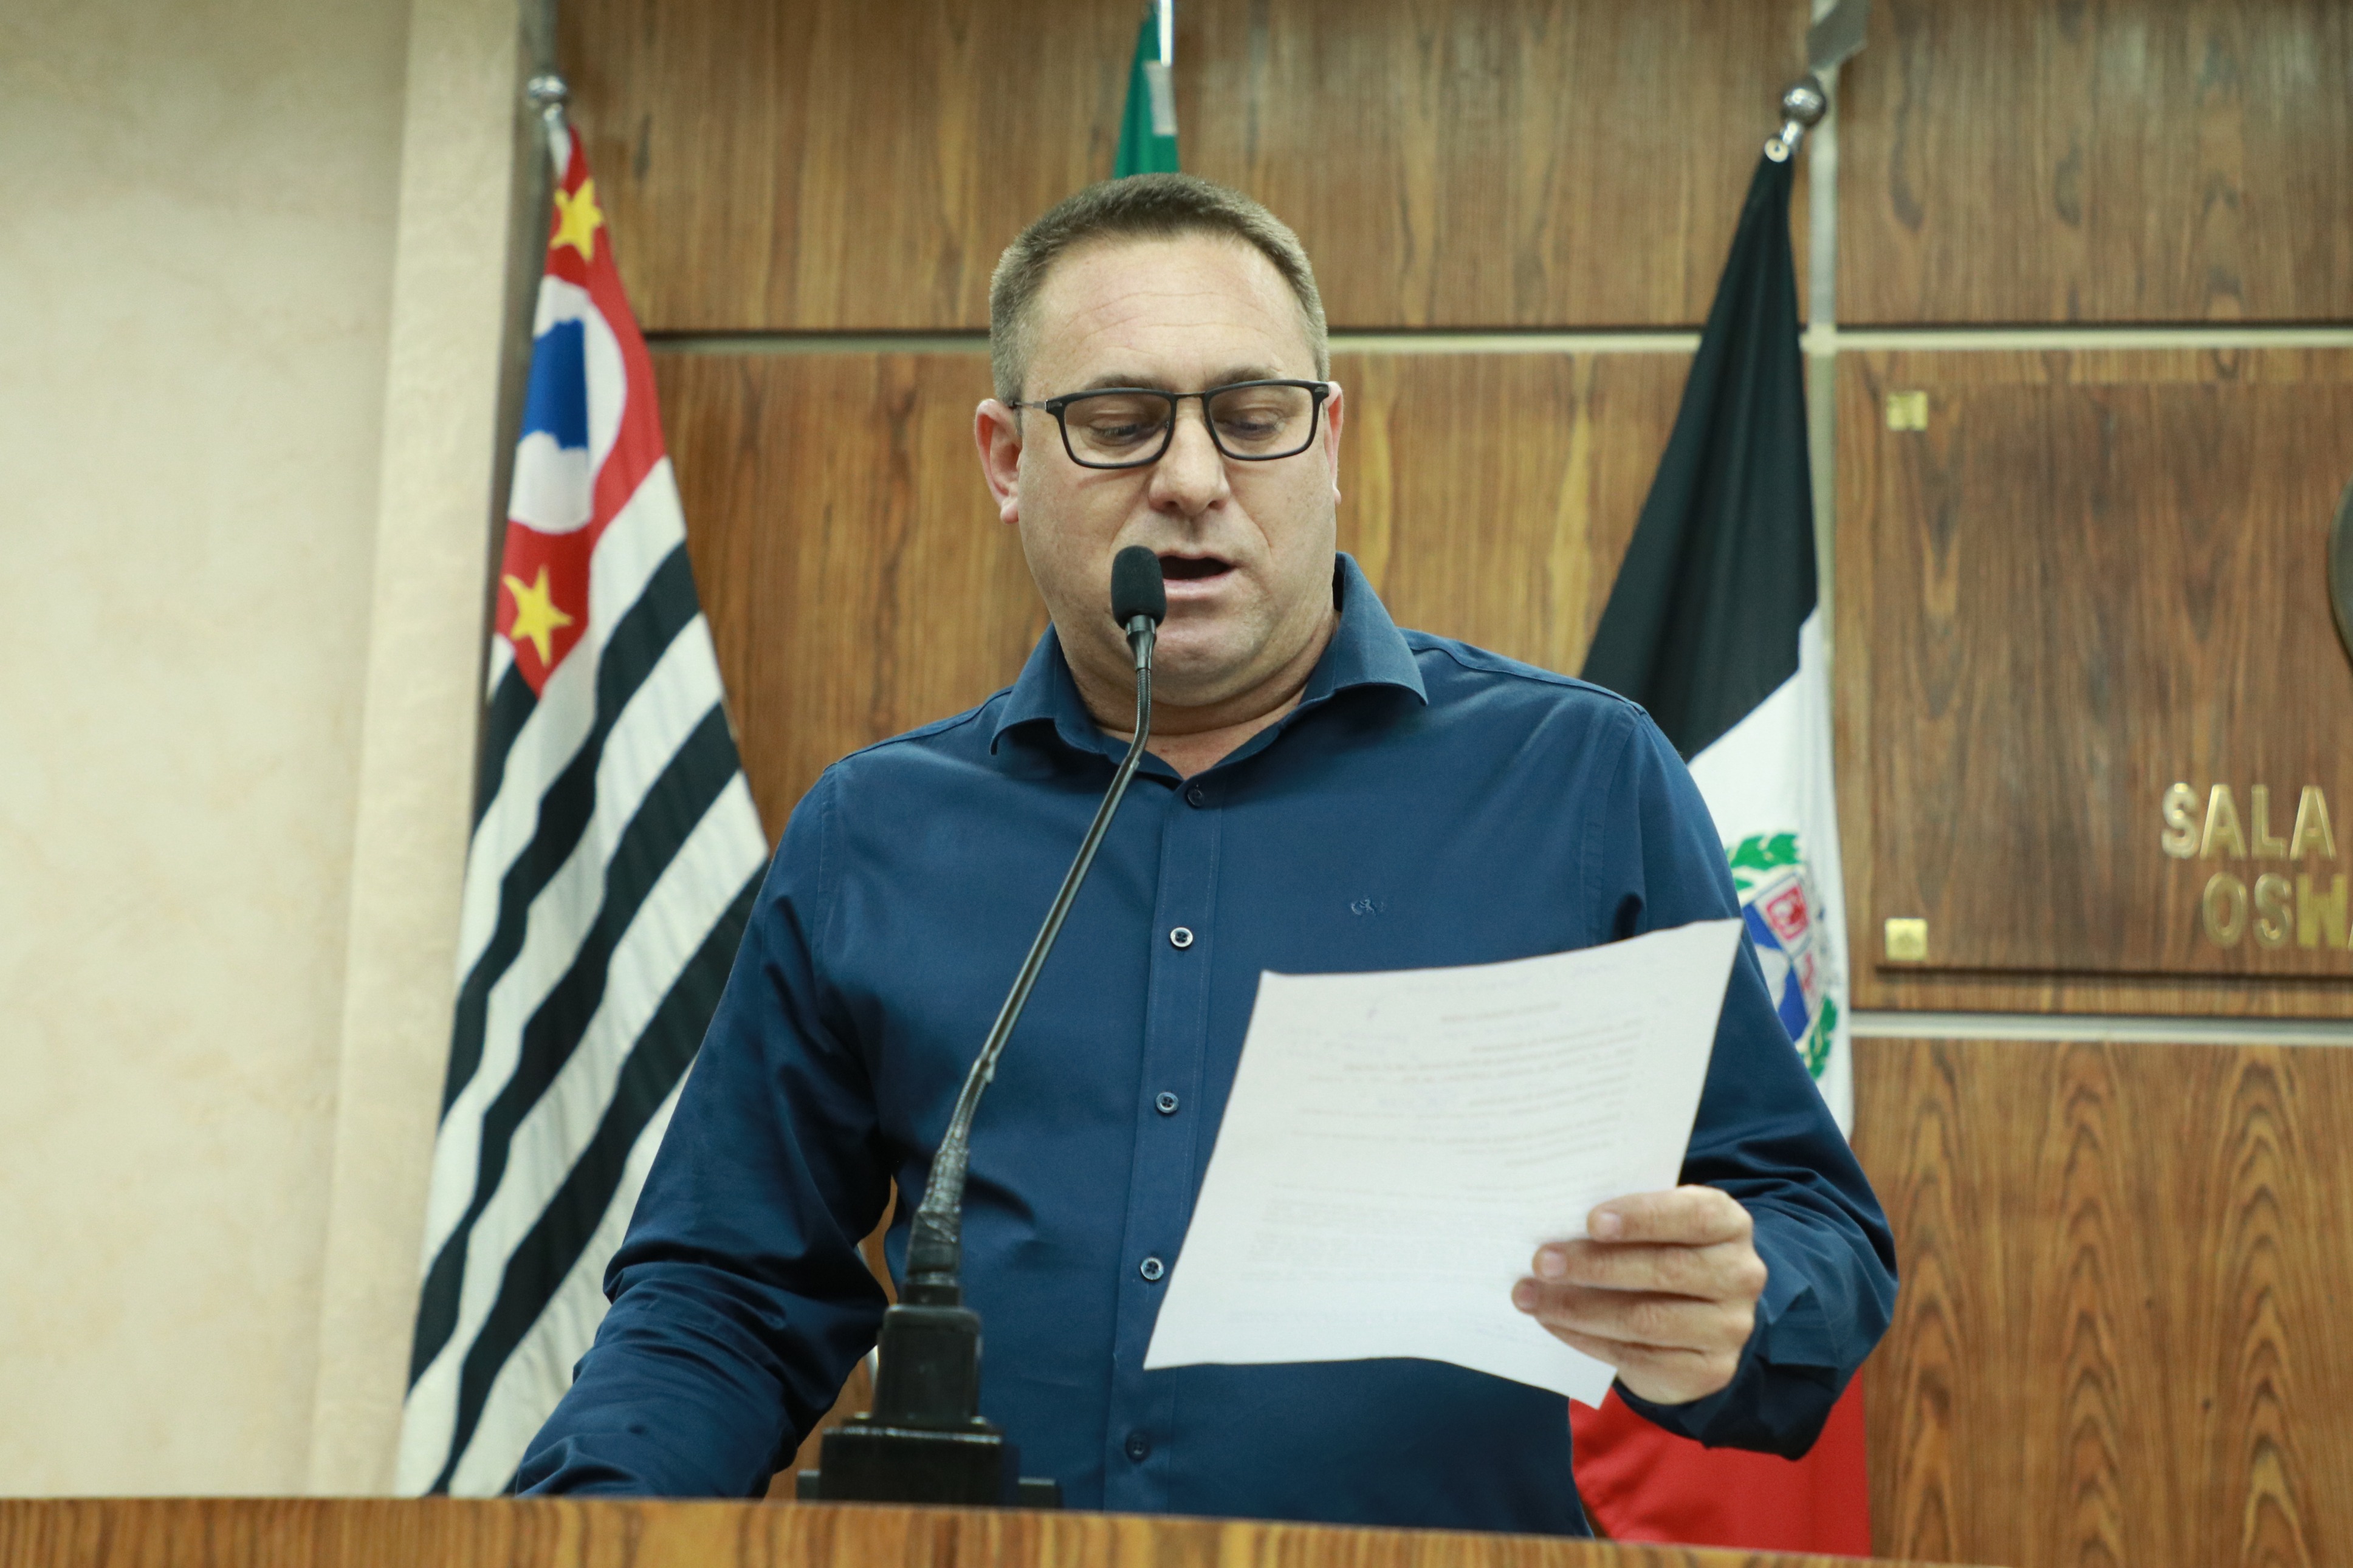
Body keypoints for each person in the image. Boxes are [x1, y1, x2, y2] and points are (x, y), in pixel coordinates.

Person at [515, 174, 1895, 1533]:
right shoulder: (874, 835)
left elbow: (1813, 1225)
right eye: (1118, 425)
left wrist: (1740, 1297)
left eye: (1253, 417)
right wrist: (573, 1528)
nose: (1190, 481)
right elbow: (728, 1295)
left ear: (1328, 440)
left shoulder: (1578, 781)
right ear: (1006, 460)